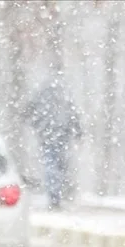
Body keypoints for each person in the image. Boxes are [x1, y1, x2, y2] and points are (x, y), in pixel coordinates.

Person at [26, 80, 81, 210]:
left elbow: (30, 110)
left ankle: (54, 195)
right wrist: (78, 131)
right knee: (60, 165)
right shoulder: (63, 92)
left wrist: (36, 125)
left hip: (48, 134)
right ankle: (56, 194)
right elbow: (72, 113)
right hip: (61, 134)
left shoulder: (43, 92)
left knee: (51, 165)